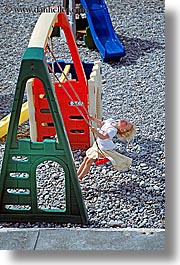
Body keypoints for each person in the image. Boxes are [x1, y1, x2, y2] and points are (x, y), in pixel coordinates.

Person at [77, 115, 136, 180]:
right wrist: (93, 119)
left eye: (126, 124)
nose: (125, 121)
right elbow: (102, 123)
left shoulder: (112, 130)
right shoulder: (111, 121)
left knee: (88, 162)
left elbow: (103, 137)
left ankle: (80, 178)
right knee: (85, 159)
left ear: (121, 129)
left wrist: (95, 131)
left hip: (102, 148)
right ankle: (77, 175)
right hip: (97, 145)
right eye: (127, 121)